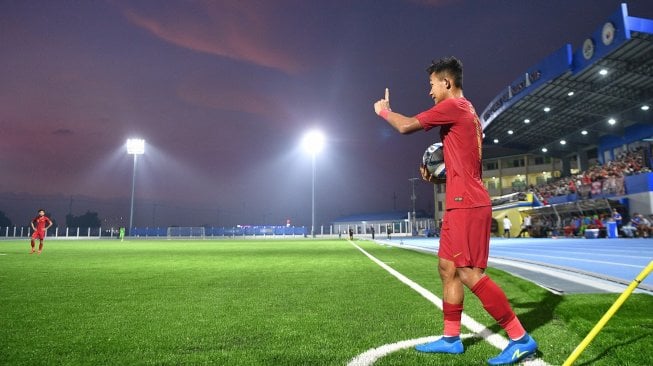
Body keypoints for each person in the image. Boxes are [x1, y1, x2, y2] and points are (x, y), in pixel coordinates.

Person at [373, 57, 537, 365]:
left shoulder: (455, 107)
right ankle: (451, 339)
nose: (430, 91)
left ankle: (520, 338)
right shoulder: (465, 111)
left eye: (432, 85)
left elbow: (407, 126)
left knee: (468, 272)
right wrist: (437, 175)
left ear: (447, 83)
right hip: (458, 201)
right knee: (447, 268)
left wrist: (383, 111)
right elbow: (462, 162)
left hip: (468, 204)